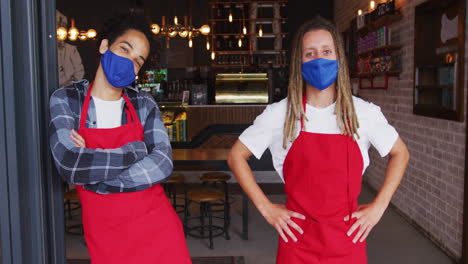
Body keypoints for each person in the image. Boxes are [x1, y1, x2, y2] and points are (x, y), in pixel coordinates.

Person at [228, 16, 409, 264]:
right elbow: (236, 156)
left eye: (326, 51)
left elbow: (400, 153)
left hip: (348, 240)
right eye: (310, 54)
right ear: (299, 62)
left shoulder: (363, 113)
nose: (319, 60)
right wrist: (266, 208)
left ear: (338, 59)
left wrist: (380, 205)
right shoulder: (281, 114)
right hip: (297, 241)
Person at [49, 13, 191, 264]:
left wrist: (96, 181)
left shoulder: (143, 103)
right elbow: (70, 163)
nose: (129, 62)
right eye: (124, 49)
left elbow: (162, 163)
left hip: (158, 229)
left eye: (138, 61)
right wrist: (135, 151)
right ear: (104, 46)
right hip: (106, 238)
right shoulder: (67, 99)